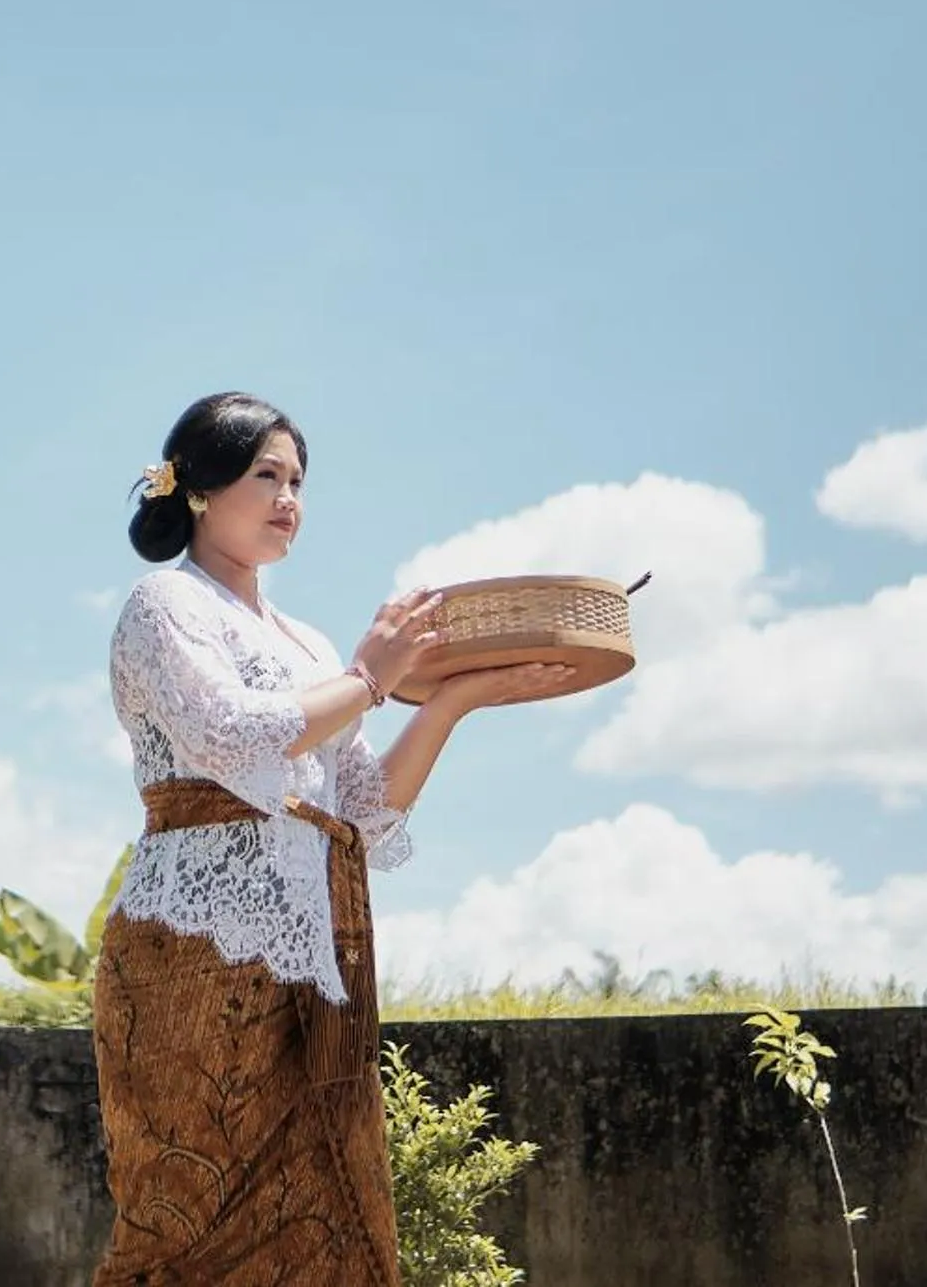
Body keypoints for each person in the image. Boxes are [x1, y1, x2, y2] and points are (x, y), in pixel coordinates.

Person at [90, 391, 611, 1285]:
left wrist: (452, 697)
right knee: (181, 1222)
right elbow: (231, 735)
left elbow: (362, 811)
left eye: (298, 479)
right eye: (267, 475)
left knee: (325, 1213)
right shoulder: (162, 602)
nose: (289, 496)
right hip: (189, 955)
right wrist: (370, 676)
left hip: (312, 962)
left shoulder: (307, 642)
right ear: (202, 489)